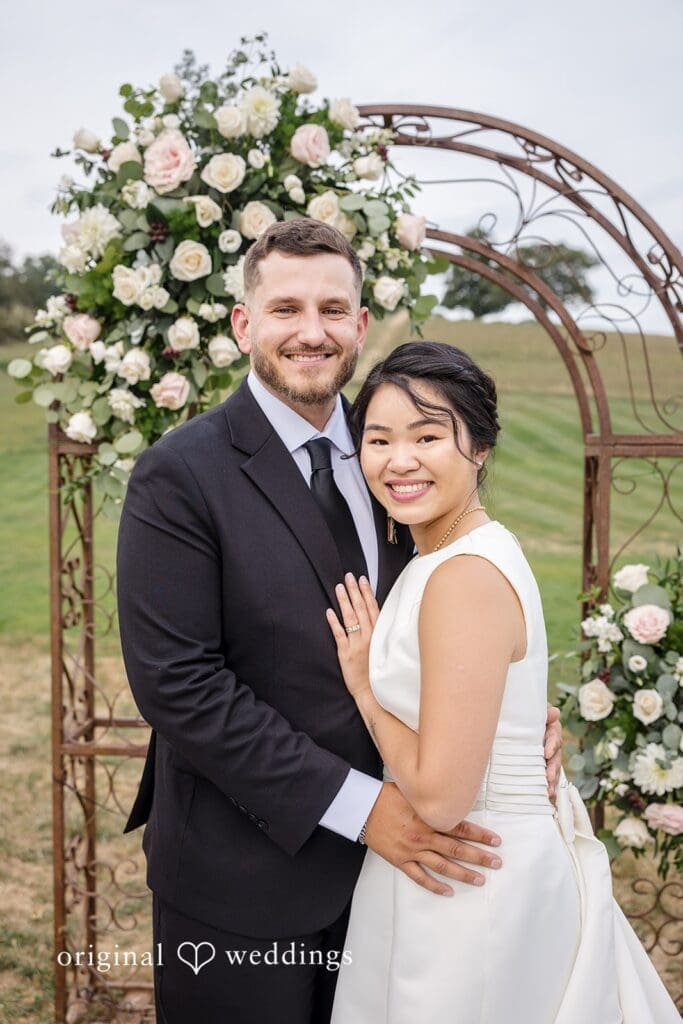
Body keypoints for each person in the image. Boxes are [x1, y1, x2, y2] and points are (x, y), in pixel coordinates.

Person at [116, 219, 563, 1024]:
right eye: (285, 308)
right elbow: (179, 686)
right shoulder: (180, 474)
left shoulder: (396, 450)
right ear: (244, 325)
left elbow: (452, 611)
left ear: (361, 325)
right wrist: (368, 810)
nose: (311, 332)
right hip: (243, 879)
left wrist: (506, 713)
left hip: (400, 890)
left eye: (333, 309)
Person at [326, 341, 680, 1024]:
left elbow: (438, 798)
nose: (399, 460)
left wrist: (365, 690)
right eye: (378, 439)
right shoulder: (454, 554)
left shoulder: (462, 575)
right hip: (458, 869)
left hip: (470, 880)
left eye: (428, 436)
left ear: (479, 447)